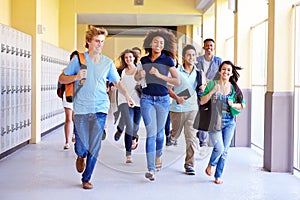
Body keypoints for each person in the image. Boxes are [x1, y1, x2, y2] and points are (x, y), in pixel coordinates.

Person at [59, 26, 134, 189]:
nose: (100, 45)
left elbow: (116, 82)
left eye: (102, 42)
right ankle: (80, 155)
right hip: (81, 109)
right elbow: (62, 78)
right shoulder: (78, 60)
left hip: (100, 108)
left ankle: (87, 178)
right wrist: (75, 76)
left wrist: (127, 96)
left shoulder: (107, 62)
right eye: (97, 41)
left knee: (95, 146)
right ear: (88, 41)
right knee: (81, 146)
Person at [135, 29, 180, 181]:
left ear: (165, 45)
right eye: (155, 42)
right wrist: (139, 75)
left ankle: (158, 155)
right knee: (151, 133)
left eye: (161, 43)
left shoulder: (167, 60)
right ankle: (151, 169)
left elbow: (176, 81)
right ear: (150, 43)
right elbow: (136, 76)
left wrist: (159, 75)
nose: (158, 45)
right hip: (147, 98)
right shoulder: (144, 60)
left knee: (160, 134)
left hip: (162, 99)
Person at [200, 60, 245, 184]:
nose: (226, 71)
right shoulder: (212, 84)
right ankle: (211, 164)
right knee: (219, 148)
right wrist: (212, 91)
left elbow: (242, 105)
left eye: (228, 70)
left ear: (231, 73)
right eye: (224, 69)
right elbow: (202, 101)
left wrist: (233, 104)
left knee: (225, 150)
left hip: (229, 122)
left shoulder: (234, 87)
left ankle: (218, 175)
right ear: (220, 71)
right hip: (214, 122)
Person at [167, 44, 199, 175]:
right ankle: (172, 135)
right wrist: (177, 97)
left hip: (192, 109)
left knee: (191, 138)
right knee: (176, 132)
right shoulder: (176, 72)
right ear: (183, 57)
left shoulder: (199, 73)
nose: (191, 58)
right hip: (177, 108)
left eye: (193, 55)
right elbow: (168, 89)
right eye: (189, 55)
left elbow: (202, 87)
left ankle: (189, 164)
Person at [196, 38, 222, 152]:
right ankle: (202, 141)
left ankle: (204, 136)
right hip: (201, 91)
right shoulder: (198, 60)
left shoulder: (218, 60)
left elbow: (221, 75)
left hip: (213, 90)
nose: (209, 47)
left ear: (214, 47)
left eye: (211, 46)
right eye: (207, 45)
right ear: (204, 47)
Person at [116, 49, 142, 163]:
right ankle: (128, 154)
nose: (128, 59)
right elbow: (117, 84)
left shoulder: (139, 70)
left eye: (130, 57)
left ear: (134, 58)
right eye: (126, 57)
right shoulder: (121, 71)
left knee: (135, 127)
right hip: (125, 102)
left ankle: (133, 137)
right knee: (130, 126)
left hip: (139, 102)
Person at [62, 50, 78, 150]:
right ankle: (67, 141)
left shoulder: (82, 70)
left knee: (75, 118)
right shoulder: (66, 70)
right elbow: (62, 81)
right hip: (68, 96)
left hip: (79, 96)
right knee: (68, 118)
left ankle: (74, 134)